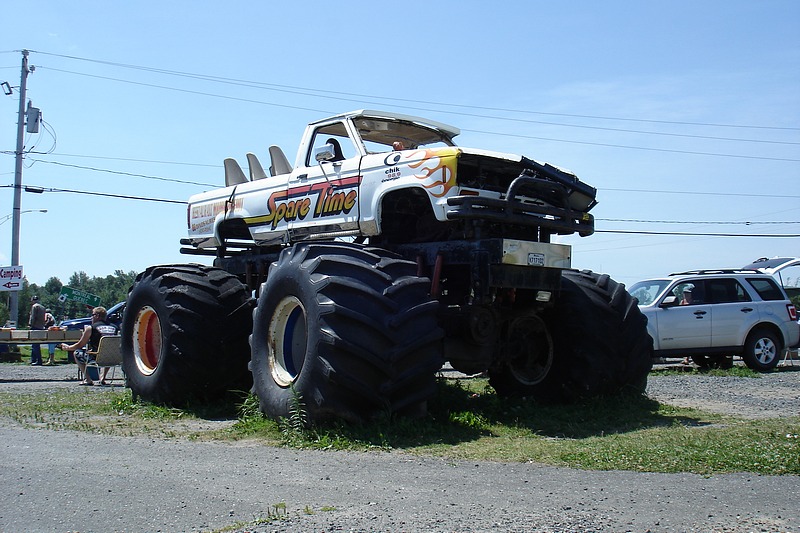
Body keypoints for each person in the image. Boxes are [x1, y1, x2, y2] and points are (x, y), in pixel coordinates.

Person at [59, 306, 118, 386]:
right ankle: (103, 378)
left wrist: (68, 348)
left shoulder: (91, 328)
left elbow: (80, 344)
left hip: (96, 357)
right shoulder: (115, 328)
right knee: (108, 350)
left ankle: (88, 379)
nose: (91, 317)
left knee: (77, 353)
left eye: (92, 315)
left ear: (97, 316)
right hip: (112, 357)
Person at [28, 295, 46, 366]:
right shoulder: (43, 307)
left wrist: (30, 325)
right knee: (36, 344)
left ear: (32, 300)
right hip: (41, 327)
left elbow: (33, 317)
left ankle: (38, 360)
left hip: (35, 326)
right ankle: (33, 359)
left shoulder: (34, 307)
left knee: (35, 344)